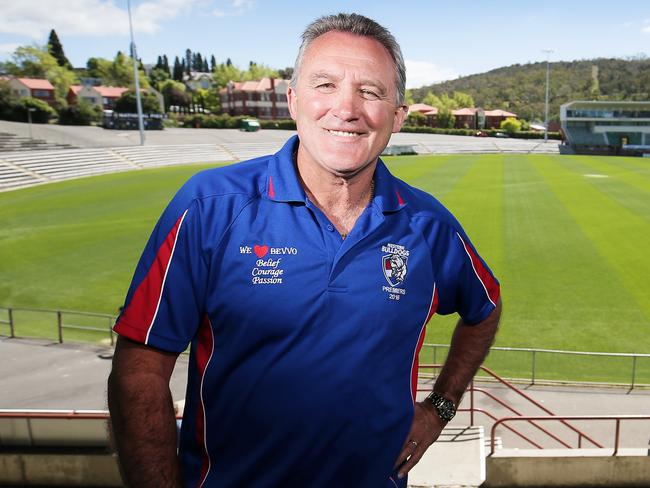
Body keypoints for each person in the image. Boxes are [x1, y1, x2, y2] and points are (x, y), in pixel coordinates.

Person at [108, 12, 501, 488]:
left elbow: (485, 307)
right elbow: (140, 369)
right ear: (293, 101)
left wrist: (440, 407)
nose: (347, 108)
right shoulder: (210, 206)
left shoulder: (428, 225)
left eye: (371, 92)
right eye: (326, 85)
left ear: (397, 115)